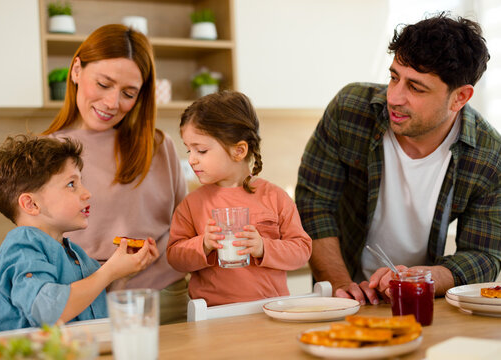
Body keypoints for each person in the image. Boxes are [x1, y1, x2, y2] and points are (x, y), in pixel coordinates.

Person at [295, 13, 500, 305]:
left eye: (416, 88)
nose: (395, 97)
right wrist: (340, 285)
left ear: (460, 97)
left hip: (421, 301)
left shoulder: (489, 157)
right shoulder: (350, 111)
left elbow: (485, 256)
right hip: (342, 296)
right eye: (394, 77)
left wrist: (422, 279)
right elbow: (314, 204)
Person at [42, 24, 188, 323]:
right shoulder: (45, 153)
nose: (112, 103)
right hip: (84, 304)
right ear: (77, 70)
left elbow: (185, 226)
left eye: (128, 93)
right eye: (104, 84)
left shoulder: (159, 146)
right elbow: (41, 244)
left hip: (164, 297)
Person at [0, 135, 158, 331]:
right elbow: (49, 313)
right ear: (31, 204)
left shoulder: (75, 253)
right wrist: (109, 271)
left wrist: (122, 275)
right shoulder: (21, 248)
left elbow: (95, 311)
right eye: (71, 184)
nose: (87, 193)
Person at [167, 91, 312, 306]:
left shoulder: (275, 197)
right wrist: (203, 244)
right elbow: (174, 256)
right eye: (189, 150)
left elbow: (302, 250)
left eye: (201, 150)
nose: (192, 160)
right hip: (212, 315)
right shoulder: (192, 204)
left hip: (269, 309)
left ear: (239, 150)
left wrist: (264, 247)